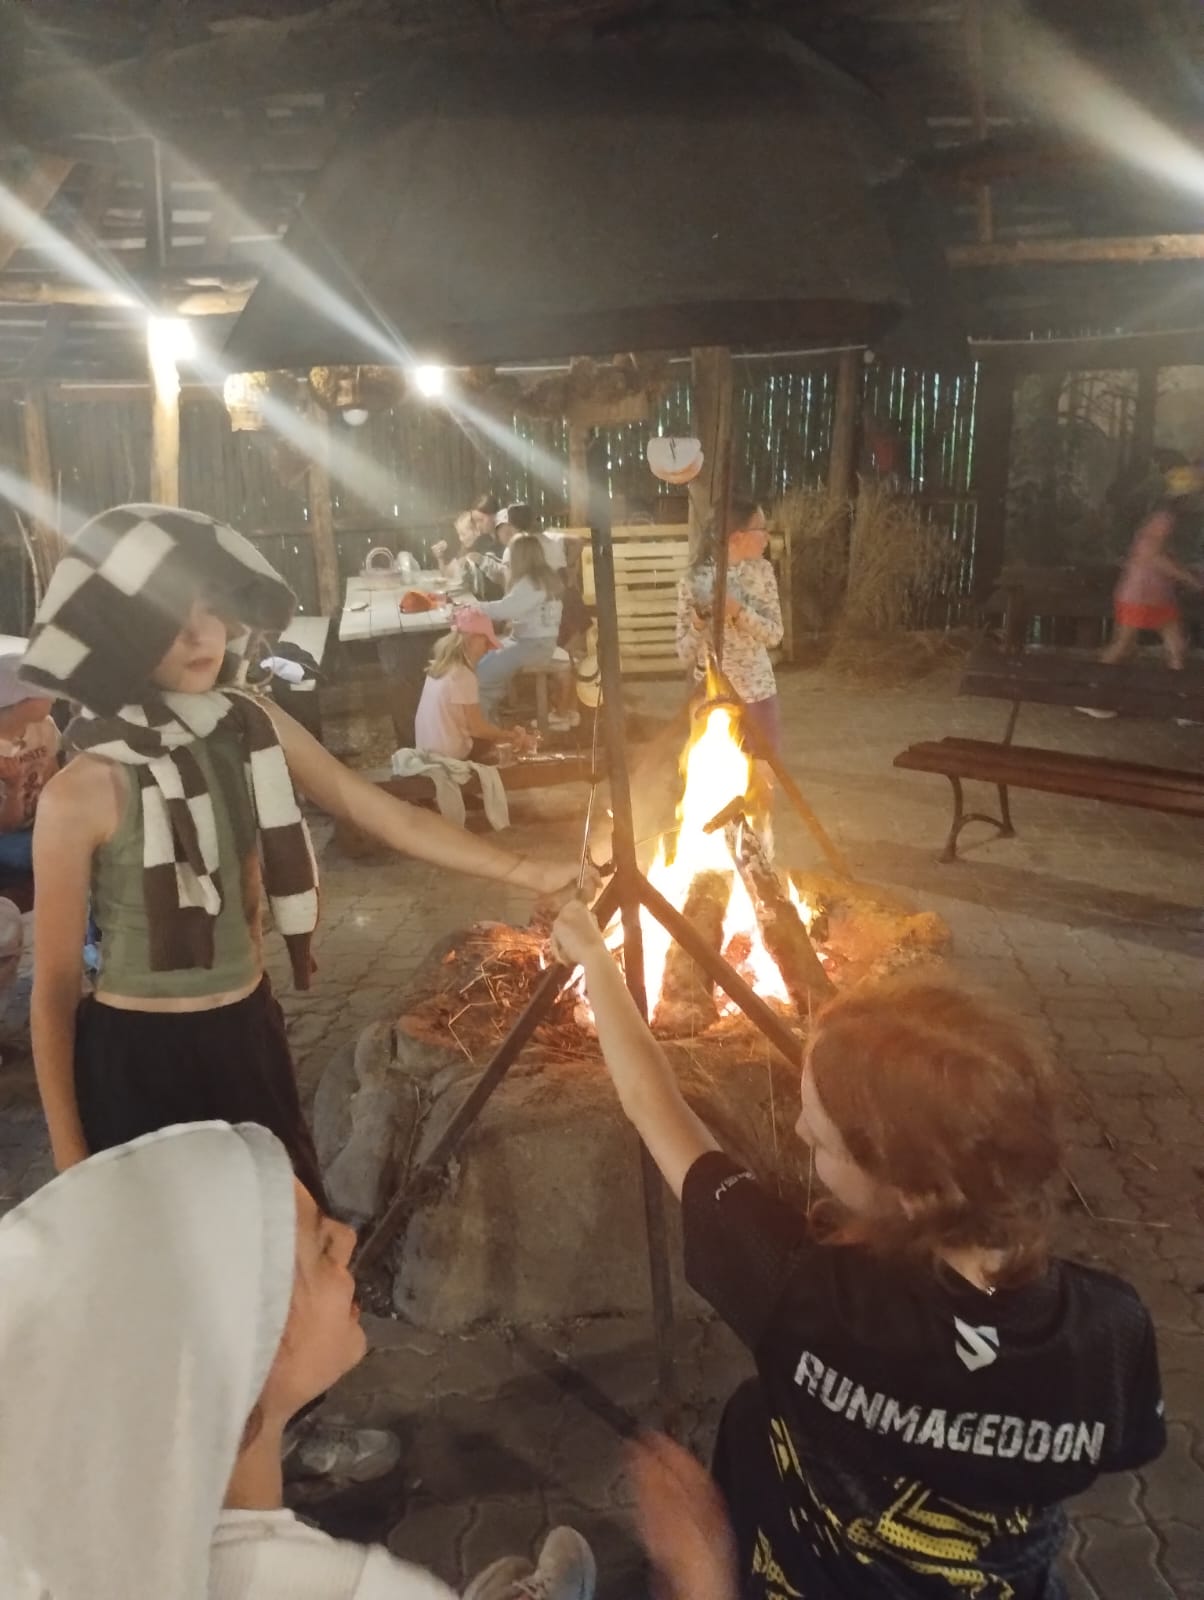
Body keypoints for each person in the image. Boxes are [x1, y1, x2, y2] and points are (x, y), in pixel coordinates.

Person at [551, 899, 1166, 1600]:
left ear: (907, 1193)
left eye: (819, 1138)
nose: (800, 1136)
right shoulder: (1114, 1328)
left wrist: (702, 1575)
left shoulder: (805, 1293)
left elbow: (651, 1102)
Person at [19, 505, 588, 1191]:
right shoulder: (78, 793)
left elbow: (384, 815)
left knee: (286, 1236)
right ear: (122, 629)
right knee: (172, 1251)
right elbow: (54, 990)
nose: (203, 634)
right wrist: (71, 1160)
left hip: (246, 1035)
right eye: (170, 615)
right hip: (137, 1059)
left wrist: (530, 869)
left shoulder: (248, 724)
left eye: (213, 609)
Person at [0, 1119, 598, 1600]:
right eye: (318, 1244)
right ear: (252, 1341)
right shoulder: (346, 1588)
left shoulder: (90, 1516)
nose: (349, 1238)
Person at [675, 499, 784, 760]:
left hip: (756, 691)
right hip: (710, 695)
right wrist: (698, 622)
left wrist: (739, 612)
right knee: (714, 775)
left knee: (763, 771)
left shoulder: (762, 573)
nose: (767, 536)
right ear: (737, 537)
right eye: (761, 529)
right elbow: (684, 653)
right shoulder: (694, 581)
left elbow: (774, 634)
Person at [1103, 465, 1204, 670]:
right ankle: (1093, 683)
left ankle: (1176, 685)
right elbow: (1154, 556)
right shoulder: (1163, 520)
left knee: (1176, 646)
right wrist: (1187, 577)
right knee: (1124, 646)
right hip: (1142, 592)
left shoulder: (1167, 520)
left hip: (1156, 593)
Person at [414, 608, 536, 761]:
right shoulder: (463, 675)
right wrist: (510, 736)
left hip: (425, 750)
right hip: (450, 755)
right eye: (486, 643)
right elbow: (477, 729)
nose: (487, 650)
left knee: (491, 730)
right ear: (472, 638)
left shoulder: (439, 667)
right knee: (494, 743)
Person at [475, 535, 564, 722]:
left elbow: (506, 609)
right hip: (535, 643)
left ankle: (483, 723)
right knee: (484, 659)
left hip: (533, 646)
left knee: (481, 673)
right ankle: (490, 716)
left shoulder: (532, 583)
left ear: (521, 557)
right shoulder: (544, 578)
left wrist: (475, 608)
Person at [0, 648, 60, 880]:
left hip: (40, 822)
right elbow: (6, 827)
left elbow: (54, 777)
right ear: (18, 701)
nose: (53, 697)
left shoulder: (44, 726)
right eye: (42, 692)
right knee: (39, 852)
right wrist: (13, 787)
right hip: (9, 834)